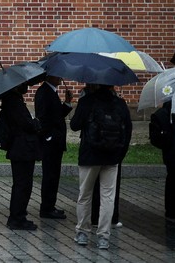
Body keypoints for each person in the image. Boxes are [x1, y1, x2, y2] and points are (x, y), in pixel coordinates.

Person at [69, 83, 132, 250]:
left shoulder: (87, 101)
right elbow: (128, 131)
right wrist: (119, 155)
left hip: (90, 155)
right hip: (112, 157)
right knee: (108, 197)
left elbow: (74, 125)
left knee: (85, 195)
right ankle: (104, 236)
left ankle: (82, 232)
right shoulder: (120, 104)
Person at [0, 83, 41, 230]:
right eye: (25, 84)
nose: (27, 87)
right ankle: (17, 218)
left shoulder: (12, 101)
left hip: (20, 148)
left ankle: (18, 216)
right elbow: (26, 124)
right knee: (22, 185)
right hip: (22, 149)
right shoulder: (14, 102)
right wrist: (35, 122)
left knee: (21, 184)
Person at [35, 75, 73, 219]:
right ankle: (46, 208)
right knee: (50, 175)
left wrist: (67, 103)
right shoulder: (44, 92)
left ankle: (50, 205)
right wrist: (48, 136)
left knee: (54, 175)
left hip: (55, 142)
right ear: (49, 75)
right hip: (50, 142)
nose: (60, 77)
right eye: (56, 74)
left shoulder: (52, 91)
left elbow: (56, 115)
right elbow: (43, 117)